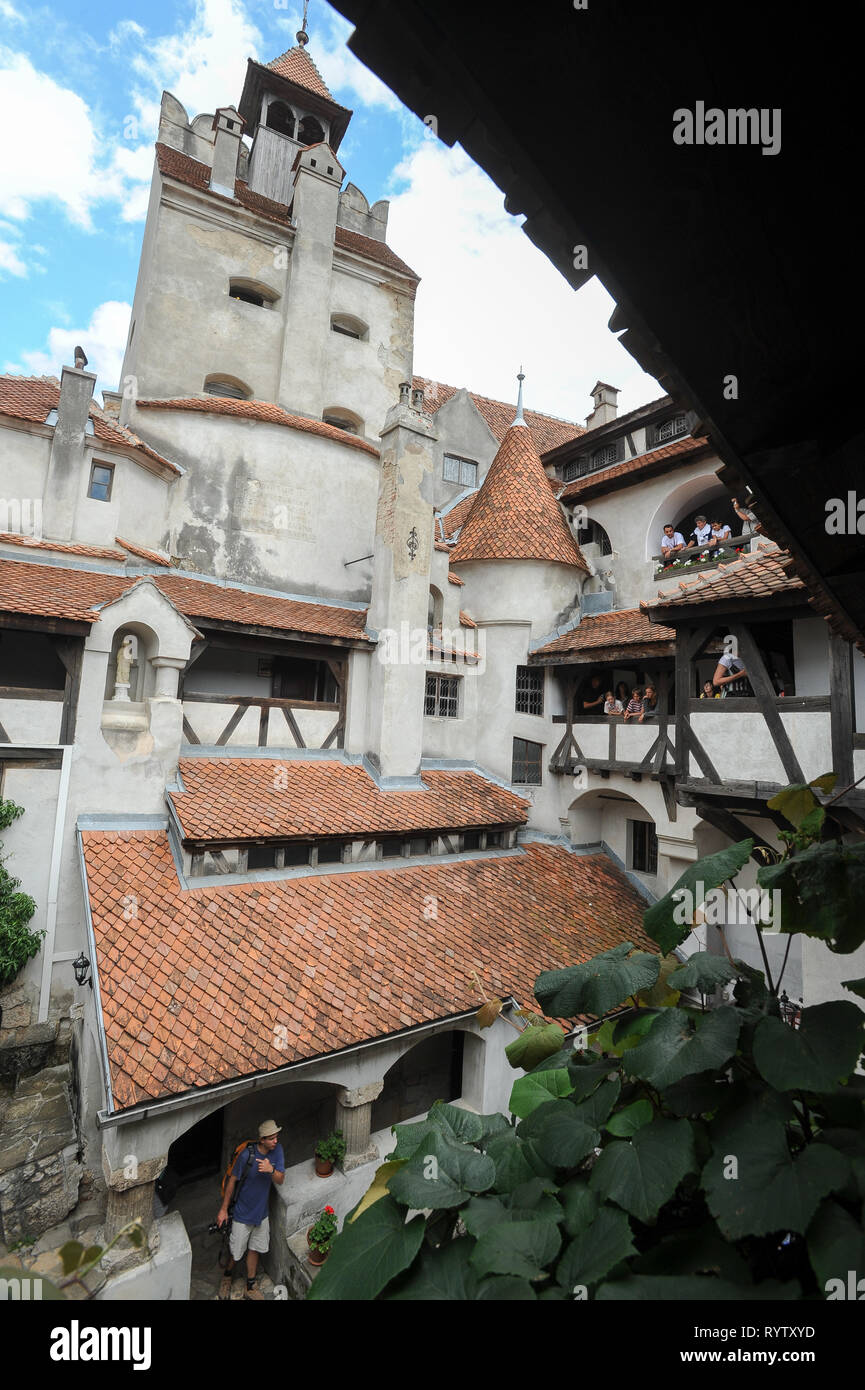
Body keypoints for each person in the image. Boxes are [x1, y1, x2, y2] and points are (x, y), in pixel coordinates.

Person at [217, 1119, 285, 1301]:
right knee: (236, 1251)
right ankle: (227, 1275)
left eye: (276, 1137)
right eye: (271, 1139)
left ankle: (250, 1285)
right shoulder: (247, 1156)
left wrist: (271, 1170)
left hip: (261, 1214)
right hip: (242, 1213)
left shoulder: (277, 1151)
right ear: (262, 1140)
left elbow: (280, 1179)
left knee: (255, 1249)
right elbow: (232, 1181)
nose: (275, 1141)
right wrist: (223, 1210)